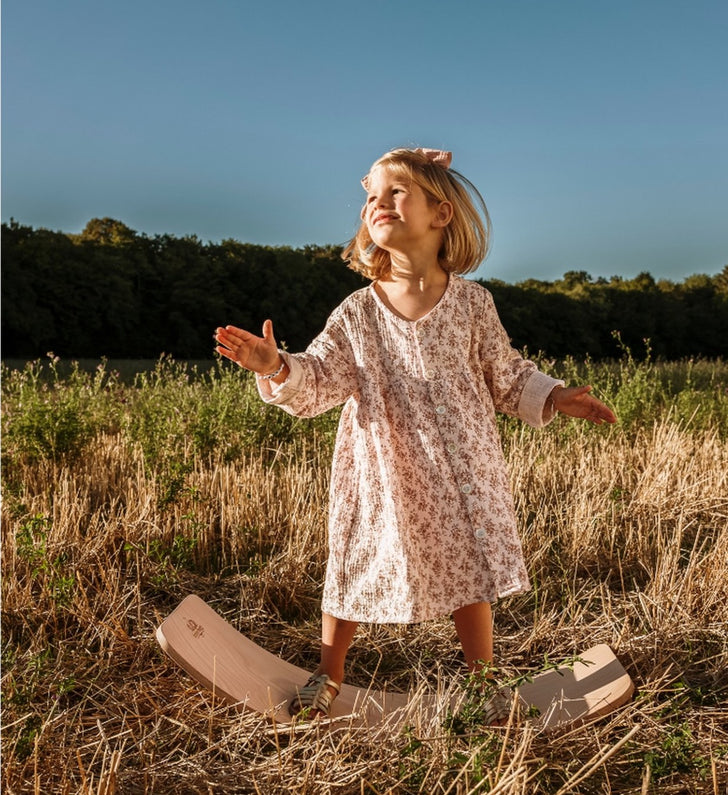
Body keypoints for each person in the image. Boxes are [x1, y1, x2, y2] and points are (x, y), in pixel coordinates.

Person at [215, 147, 616, 725]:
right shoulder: (356, 312)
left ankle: (482, 683)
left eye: (396, 191)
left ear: (441, 214)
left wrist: (554, 395)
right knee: (354, 559)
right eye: (371, 196)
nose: (379, 203)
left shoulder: (475, 304)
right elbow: (321, 379)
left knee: (471, 566)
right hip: (383, 469)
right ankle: (329, 672)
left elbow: (507, 376)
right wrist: (276, 366)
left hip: (463, 467)